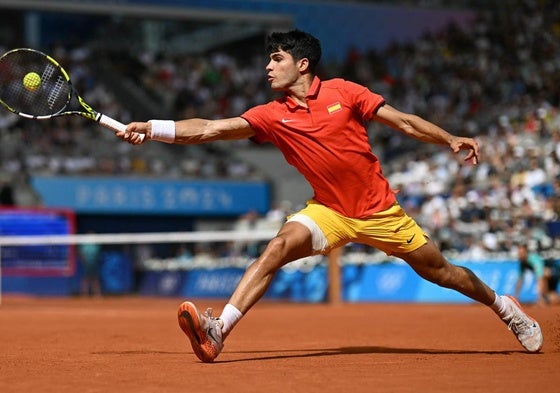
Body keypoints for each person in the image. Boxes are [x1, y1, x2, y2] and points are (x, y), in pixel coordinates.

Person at [118, 30, 543, 362]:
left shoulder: (346, 92)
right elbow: (210, 128)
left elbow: (406, 123)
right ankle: (218, 332)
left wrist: (449, 138)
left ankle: (503, 308)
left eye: (276, 58)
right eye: (268, 58)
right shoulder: (272, 114)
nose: (268, 67)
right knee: (277, 248)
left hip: (380, 212)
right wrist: (152, 128)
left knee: (441, 272)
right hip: (329, 212)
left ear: (302, 64)